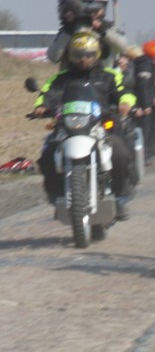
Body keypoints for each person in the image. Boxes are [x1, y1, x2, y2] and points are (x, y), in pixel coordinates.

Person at [34, 32, 137, 220]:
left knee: (120, 153)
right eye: (79, 55)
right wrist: (41, 107)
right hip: (68, 128)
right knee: (48, 154)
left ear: (96, 54)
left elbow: (124, 92)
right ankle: (56, 197)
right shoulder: (61, 78)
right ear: (71, 56)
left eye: (88, 55)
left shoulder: (109, 75)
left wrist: (125, 103)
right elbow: (47, 94)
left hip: (101, 128)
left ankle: (120, 198)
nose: (83, 59)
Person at [48, 0, 140, 67]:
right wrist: (69, 28)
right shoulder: (69, 28)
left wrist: (102, 30)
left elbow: (123, 47)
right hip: (72, 77)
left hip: (103, 76)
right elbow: (53, 57)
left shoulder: (107, 27)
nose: (96, 11)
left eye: (101, 6)